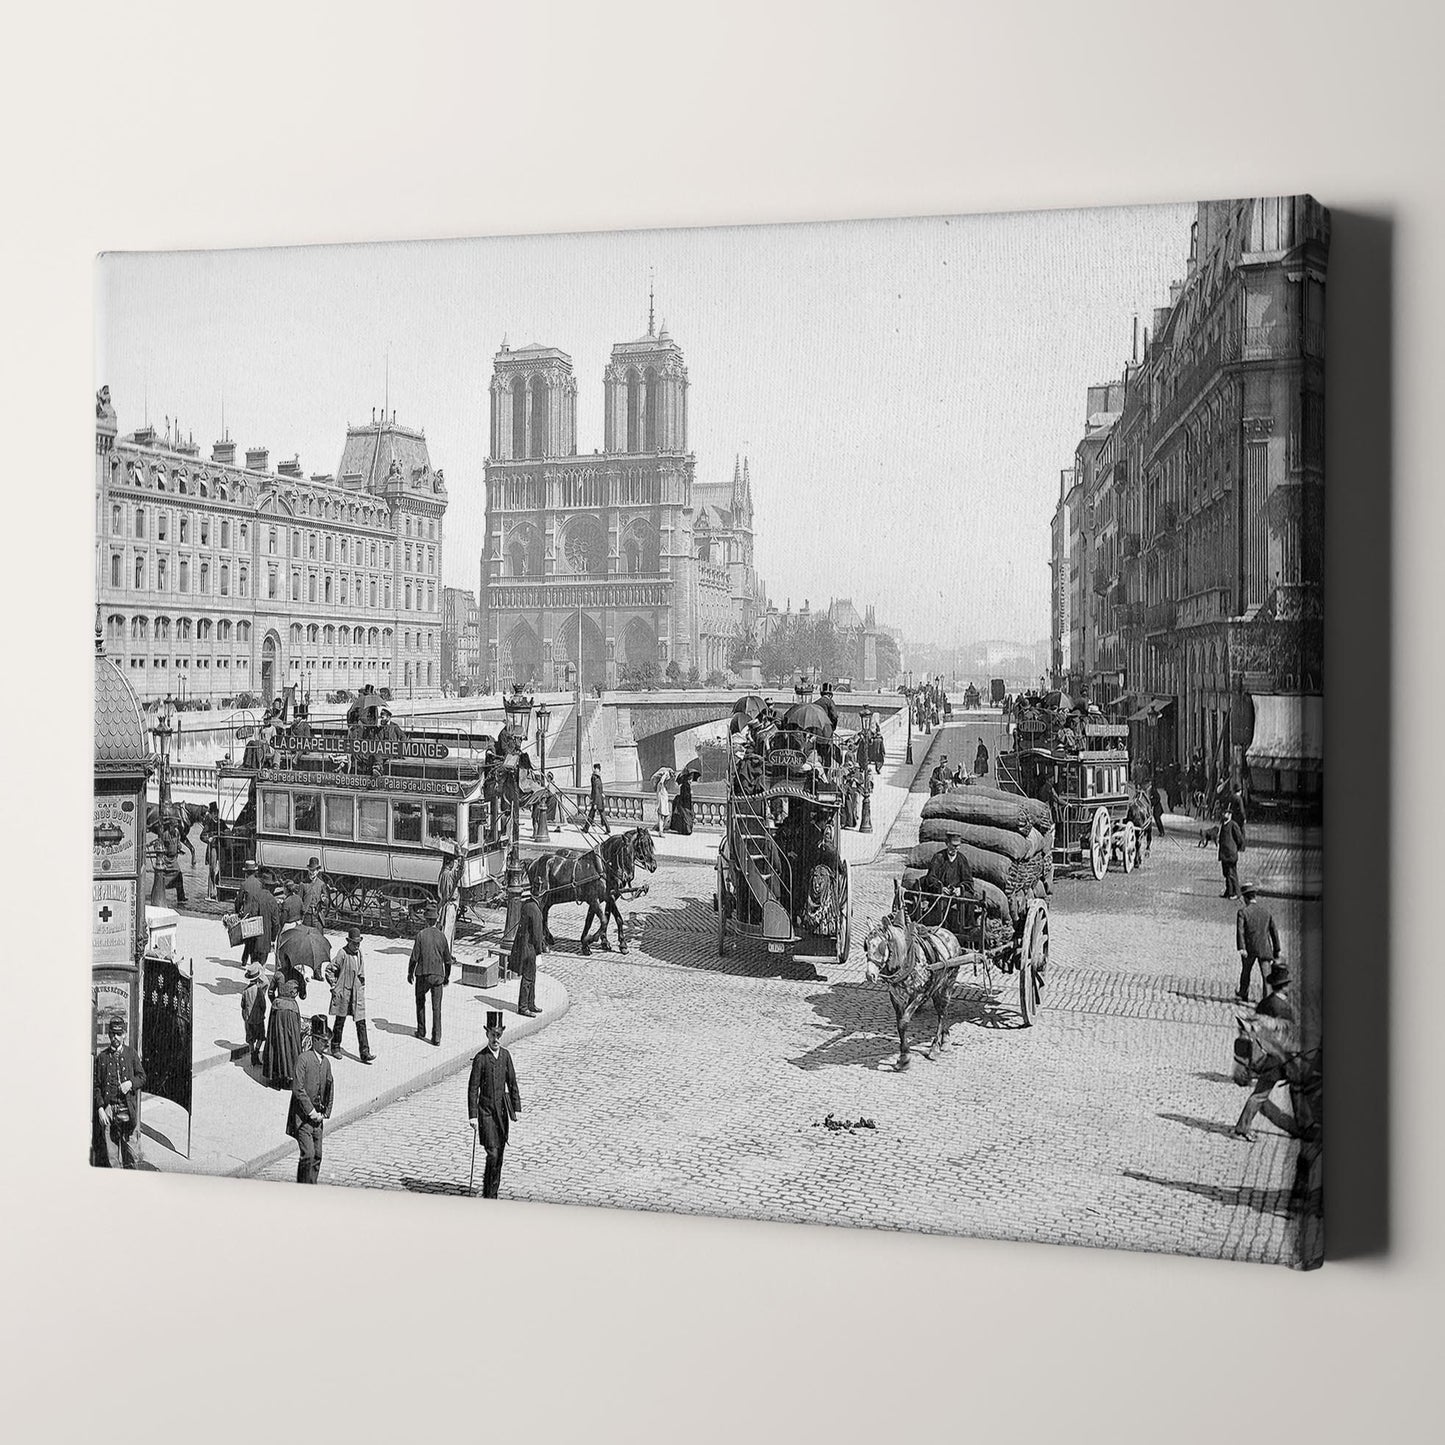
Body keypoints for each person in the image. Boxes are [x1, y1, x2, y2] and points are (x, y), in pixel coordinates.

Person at [1233, 964, 1297, 1141]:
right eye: (1288, 984)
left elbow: (1255, 1029)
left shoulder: (1265, 1002)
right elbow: (1290, 1034)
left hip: (1267, 1056)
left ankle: (1243, 1127)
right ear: (1284, 986)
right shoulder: (1284, 1008)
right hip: (1280, 1058)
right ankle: (1299, 1127)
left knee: (1261, 1093)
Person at [467, 1011, 521, 1199]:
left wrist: (516, 1107)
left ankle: (493, 1192)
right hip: (486, 1114)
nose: (495, 1039)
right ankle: (488, 1194)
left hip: (502, 1114)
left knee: (500, 1155)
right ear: (486, 1034)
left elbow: (512, 1082)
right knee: (493, 1153)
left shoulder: (505, 1056)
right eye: (492, 1035)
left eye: (498, 1035)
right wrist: (473, 1116)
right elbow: (473, 1088)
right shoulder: (481, 1059)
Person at [93, 1016, 147, 1169]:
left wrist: (130, 1083)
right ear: (109, 1035)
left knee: (132, 1156)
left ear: (124, 1034)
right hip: (109, 1111)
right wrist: (100, 1109)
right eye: (112, 1034)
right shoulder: (102, 1058)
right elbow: (96, 1086)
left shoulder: (131, 1054)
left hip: (128, 1110)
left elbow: (142, 1077)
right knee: (112, 1158)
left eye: (118, 1034)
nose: (115, 1038)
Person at [287, 1015, 335, 1184]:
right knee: (307, 1154)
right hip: (303, 1119)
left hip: (318, 1120)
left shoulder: (327, 1062)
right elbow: (298, 1089)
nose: (327, 1044)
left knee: (318, 1156)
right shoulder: (303, 1059)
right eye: (323, 1041)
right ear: (314, 1040)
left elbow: (330, 1087)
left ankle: (311, 1186)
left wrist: (326, 1113)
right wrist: (311, 1111)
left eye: (328, 1041)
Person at [326, 926, 375, 1063]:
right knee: (340, 1021)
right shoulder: (342, 954)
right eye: (354, 943)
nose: (357, 946)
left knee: (361, 1022)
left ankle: (365, 1052)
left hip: (357, 994)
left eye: (358, 943)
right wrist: (334, 986)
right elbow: (329, 970)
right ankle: (335, 1047)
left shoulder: (359, 953)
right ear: (348, 942)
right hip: (344, 993)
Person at [408, 904, 453, 1046]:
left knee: (420, 1002)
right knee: (436, 1007)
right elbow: (448, 961)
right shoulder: (442, 937)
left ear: (426, 920)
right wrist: (446, 977)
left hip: (422, 975)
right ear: (436, 920)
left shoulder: (421, 935)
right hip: (438, 976)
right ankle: (436, 1038)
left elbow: (414, 957)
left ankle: (421, 1031)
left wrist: (410, 973)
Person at [922, 831, 976, 939]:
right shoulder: (938, 858)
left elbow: (968, 881)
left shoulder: (962, 860)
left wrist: (960, 889)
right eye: (953, 846)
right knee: (941, 903)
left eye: (958, 846)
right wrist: (940, 888)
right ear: (947, 843)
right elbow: (930, 877)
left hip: (956, 895)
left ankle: (966, 931)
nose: (955, 849)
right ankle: (942, 933)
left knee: (968, 899)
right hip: (942, 894)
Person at [1235, 882, 1283, 1003]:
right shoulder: (1266, 912)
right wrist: (1277, 949)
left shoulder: (1243, 912)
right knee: (1266, 976)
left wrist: (1242, 948)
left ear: (1245, 898)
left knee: (1246, 972)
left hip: (1249, 948)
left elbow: (1240, 931)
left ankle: (1243, 993)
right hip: (1264, 948)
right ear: (1255, 896)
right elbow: (1274, 932)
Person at [510, 873, 546, 1017]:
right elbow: (537, 935)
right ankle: (523, 1006)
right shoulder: (536, 911)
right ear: (540, 895)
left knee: (532, 976)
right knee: (528, 978)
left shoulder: (527, 905)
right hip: (530, 949)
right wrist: (539, 951)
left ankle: (531, 1003)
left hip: (523, 946)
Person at [264, 975, 304, 1088]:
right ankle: (290, 1074)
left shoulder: (278, 975)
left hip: (277, 1010)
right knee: (292, 1042)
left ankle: (275, 1075)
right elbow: (303, 996)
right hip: (291, 1011)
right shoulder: (298, 976)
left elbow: (270, 992)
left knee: (276, 1041)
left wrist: (277, 1001)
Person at [235, 860, 273, 970]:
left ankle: (245, 959)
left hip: (247, 914)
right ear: (255, 872)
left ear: (246, 872)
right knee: (252, 938)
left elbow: (239, 900)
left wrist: (238, 912)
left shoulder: (244, 884)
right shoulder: (260, 884)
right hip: (257, 913)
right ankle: (245, 959)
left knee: (248, 938)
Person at [240, 959, 268, 1066]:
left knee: (250, 1038)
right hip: (258, 1018)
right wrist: (262, 1013)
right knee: (261, 1037)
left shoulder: (245, 991)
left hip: (248, 1019)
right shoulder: (259, 990)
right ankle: (256, 1052)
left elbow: (242, 1005)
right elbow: (263, 1005)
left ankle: (252, 1054)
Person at [1217, 810, 1245, 899]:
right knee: (1226, 873)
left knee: (1232, 873)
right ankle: (1229, 891)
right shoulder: (1223, 824)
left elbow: (1239, 838)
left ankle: (1236, 893)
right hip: (1224, 853)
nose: (1223, 814)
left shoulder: (1233, 825)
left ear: (1230, 815)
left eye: (1225, 813)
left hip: (1231, 853)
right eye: (1223, 813)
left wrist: (1236, 848)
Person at [201, 801, 223, 900]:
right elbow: (202, 836)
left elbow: (226, 831)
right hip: (213, 848)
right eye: (214, 813)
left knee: (222, 868)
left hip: (221, 848)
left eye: (216, 813)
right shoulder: (209, 824)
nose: (215, 815)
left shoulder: (221, 823)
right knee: (212, 870)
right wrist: (208, 839)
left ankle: (218, 888)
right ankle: (211, 891)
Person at [300, 857, 327, 929]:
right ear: (308, 869)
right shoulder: (303, 884)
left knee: (319, 938)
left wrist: (324, 902)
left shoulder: (321, 884)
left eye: (314, 870)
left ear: (318, 871)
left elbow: (326, 903)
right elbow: (299, 900)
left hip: (317, 917)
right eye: (311, 870)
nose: (312, 872)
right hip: (306, 917)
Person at [586, 761, 611, 834]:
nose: (593, 770)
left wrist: (595, 803)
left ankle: (608, 829)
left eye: (595, 768)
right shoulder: (598, 778)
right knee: (592, 814)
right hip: (599, 800)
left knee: (601, 815)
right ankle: (586, 828)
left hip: (597, 801)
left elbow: (596, 791)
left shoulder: (595, 779)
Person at [669, 767, 696, 835]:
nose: (691, 781)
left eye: (691, 779)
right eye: (690, 779)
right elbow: (685, 796)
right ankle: (687, 831)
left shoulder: (686, 785)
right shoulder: (685, 786)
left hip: (685, 804)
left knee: (685, 817)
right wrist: (690, 793)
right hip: (684, 804)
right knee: (686, 818)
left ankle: (685, 830)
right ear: (687, 779)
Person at [653, 767, 674, 836]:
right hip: (661, 799)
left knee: (666, 816)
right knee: (662, 816)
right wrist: (658, 805)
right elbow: (661, 781)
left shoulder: (664, 788)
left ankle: (660, 828)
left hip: (664, 799)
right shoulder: (666, 774)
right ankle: (660, 831)